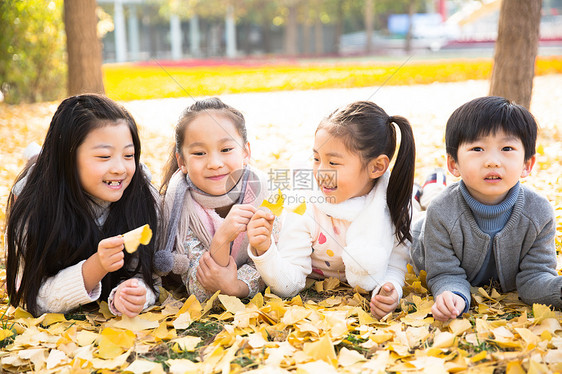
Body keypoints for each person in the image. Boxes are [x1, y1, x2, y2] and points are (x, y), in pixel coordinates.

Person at [247, 101, 415, 319]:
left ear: (376, 167)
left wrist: (390, 288)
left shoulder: (392, 205)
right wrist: (264, 250)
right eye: (316, 159)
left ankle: (429, 187)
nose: (321, 172)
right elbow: (288, 284)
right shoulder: (307, 206)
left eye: (333, 163)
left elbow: (396, 263)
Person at [6, 94, 159, 318]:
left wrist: (136, 292)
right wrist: (96, 265)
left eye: (129, 155)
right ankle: (37, 158)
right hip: (52, 189)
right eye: (104, 156)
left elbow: (148, 275)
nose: (120, 168)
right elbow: (32, 296)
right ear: (68, 158)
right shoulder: (34, 210)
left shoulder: (142, 196)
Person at [411, 96, 562, 321]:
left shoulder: (539, 213)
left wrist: (557, 290)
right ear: (454, 164)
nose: (492, 161)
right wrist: (452, 295)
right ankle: (418, 189)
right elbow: (445, 273)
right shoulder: (441, 212)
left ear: (527, 165)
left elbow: (535, 277)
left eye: (507, 148)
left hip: (446, 203)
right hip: (421, 232)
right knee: (412, 210)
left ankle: (432, 183)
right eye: (478, 148)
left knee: (435, 197)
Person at [155, 97, 268, 302]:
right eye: (199, 153)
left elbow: (272, 266)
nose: (215, 163)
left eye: (226, 149)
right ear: (182, 161)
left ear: (245, 152)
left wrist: (236, 287)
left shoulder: (263, 194)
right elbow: (200, 288)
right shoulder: (179, 207)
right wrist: (222, 239)